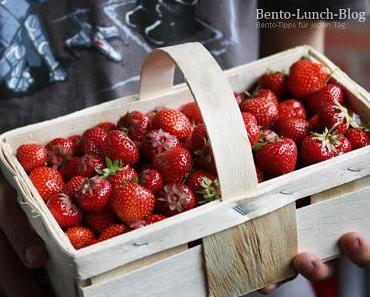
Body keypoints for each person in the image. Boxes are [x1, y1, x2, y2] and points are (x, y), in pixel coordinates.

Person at [0, 1, 369, 296]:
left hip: (265, 228)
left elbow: (295, 13)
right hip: (24, 239)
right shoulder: (140, 166)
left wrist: (315, 204)